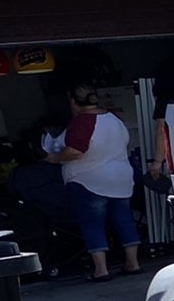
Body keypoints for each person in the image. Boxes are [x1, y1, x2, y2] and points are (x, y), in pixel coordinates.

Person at [46, 83, 140, 281]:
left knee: (93, 224)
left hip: (89, 180)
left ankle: (101, 269)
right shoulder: (115, 119)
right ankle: (133, 263)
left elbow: (75, 151)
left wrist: (53, 158)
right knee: (124, 220)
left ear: (73, 102)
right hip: (121, 178)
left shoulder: (82, 122)